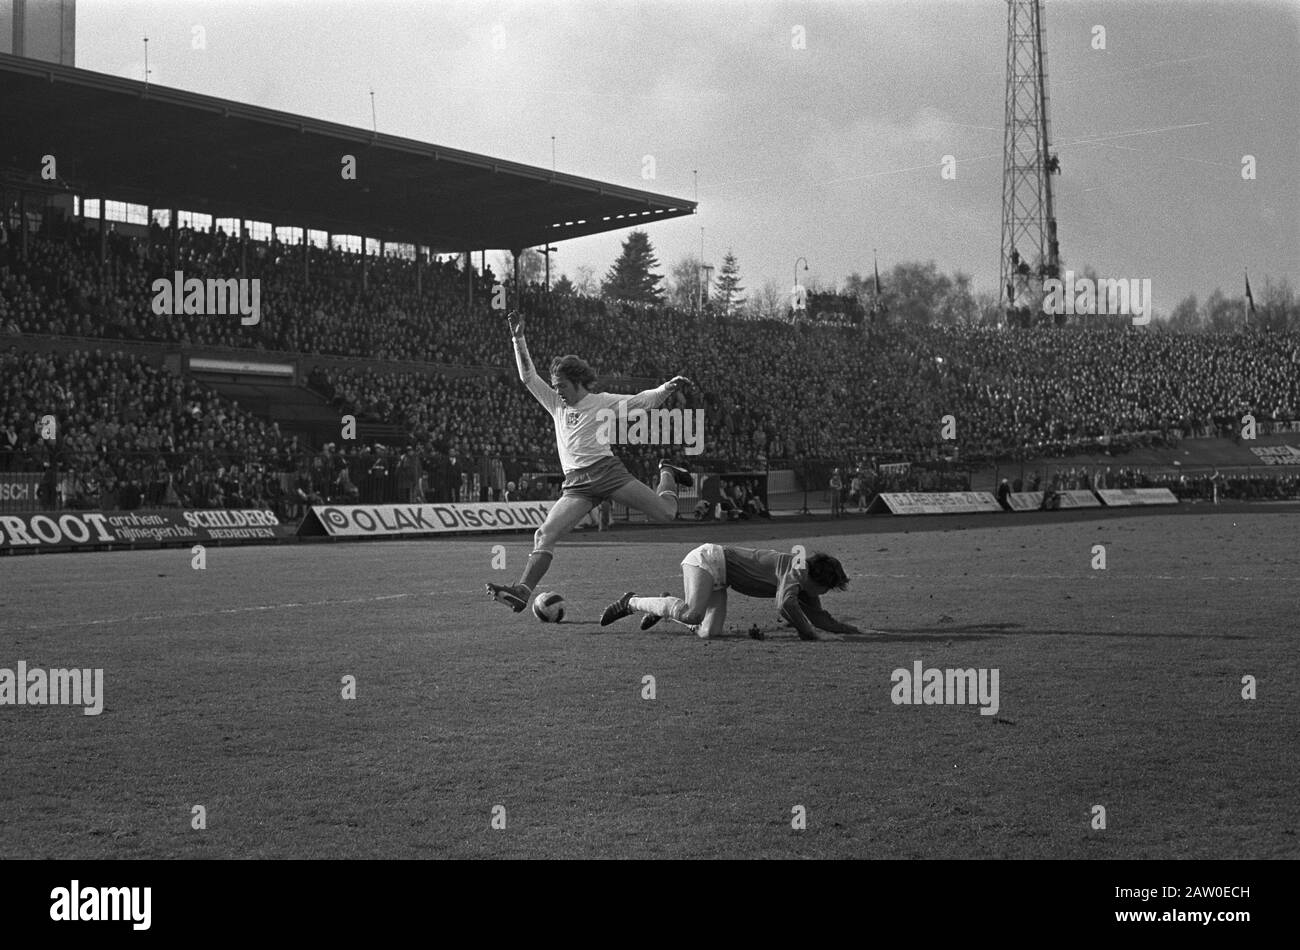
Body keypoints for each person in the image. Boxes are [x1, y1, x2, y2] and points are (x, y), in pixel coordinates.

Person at [485, 309, 694, 612]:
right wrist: (518, 338)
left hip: (607, 474)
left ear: (578, 382)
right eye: (555, 388)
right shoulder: (556, 404)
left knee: (666, 513)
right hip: (577, 486)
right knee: (544, 534)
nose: (558, 393)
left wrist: (665, 389)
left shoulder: (601, 402)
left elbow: (640, 401)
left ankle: (668, 473)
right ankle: (522, 591)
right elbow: (528, 378)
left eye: (563, 387)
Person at [600, 544, 878, 641]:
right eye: (827, 588)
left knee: (709, 633)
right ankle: (632, 602)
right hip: (708, 560)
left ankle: (662, 606)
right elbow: (784, 606)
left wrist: (855, 631)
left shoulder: (805, 585)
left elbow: (819, 618)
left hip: (720, 578)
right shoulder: (796, 573)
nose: (824, 593)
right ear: (817, 579)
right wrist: (811, 635)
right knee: (693, 614)